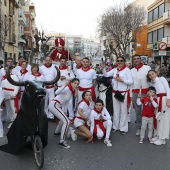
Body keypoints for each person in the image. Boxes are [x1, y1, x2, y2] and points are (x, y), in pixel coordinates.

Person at [101, 56, 133, 134]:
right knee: (116, 110)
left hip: (123, 93)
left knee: (123, 111)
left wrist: (122, 80)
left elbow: (131, 82)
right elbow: (106, 75)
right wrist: (103, 68)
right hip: (115, 92)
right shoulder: (115, 69)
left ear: (124, 61)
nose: (119, 62)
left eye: (121, 60)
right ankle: (115, 126)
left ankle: (123, 128)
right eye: (118, 61)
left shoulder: (127, 70)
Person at [48, 78, 79, 149]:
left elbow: (66, 102)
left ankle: (57, 132)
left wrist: (65, 111)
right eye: (75, 83)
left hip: (56, 105)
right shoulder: (67, 88)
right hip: (54, 105)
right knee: (67, 121)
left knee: (64, 118)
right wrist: (65, 85)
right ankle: (61, 141)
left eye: (77, 84)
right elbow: (56, 93)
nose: (76, 85)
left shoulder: (71, 91)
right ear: (71, 83)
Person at [147, 70, 170, 145]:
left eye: (152, 74)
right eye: (150, 75)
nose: (151, 76)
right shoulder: (152, 83)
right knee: (158, 118)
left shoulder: (162, 79)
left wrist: (168, 99)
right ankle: (158, 135)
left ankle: (162, 139)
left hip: (164, 99)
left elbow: (167, 89)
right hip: (158, 100)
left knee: (163, 119)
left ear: (156, 73)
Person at [130, 54, 151, 136]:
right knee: (138, 112)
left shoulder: (147, 68)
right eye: (134, 59)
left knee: (148, 110)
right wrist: (131, 95)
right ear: (133, 60)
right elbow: (131, 84)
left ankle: (149, 127)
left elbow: (150, 80)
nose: (136, 60)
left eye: (138, 58)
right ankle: (139, 127)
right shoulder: (131, 71)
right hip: (135, 93)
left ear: (140, 59)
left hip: (146, 92)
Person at [57, 56, 75, 123]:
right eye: (62, 61)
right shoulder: (57, 69)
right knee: (61, 103)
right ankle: (62, 116)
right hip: (59, 87)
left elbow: (73, 77)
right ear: (60, 61)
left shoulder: (68, 69)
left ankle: (71, 117)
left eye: (64, 61)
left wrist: (65, 77)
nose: (63, 63)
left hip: (67, 88)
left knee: (69, 103)